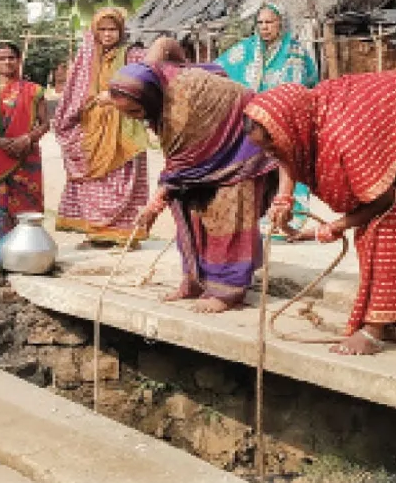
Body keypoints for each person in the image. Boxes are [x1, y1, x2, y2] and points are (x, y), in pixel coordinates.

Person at [244, 70, 396, 356]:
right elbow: (286, 152)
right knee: (385, 225)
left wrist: (334, 227)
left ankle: (374, 330)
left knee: (390, 226)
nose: (271, 152)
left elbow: (384, 200)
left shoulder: (343, 138)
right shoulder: (305, 118)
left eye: (271, 144)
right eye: (265, 148)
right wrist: (283, 198)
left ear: (291, 127)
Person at [100, 61, 281, 314]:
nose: (134, 118)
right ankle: (195, 280)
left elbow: (179, 168)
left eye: (135, 111)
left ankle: (228, 290)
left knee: (227, 217)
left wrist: (153, 206)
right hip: (202, 150)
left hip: (240, 146)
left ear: (150, 98)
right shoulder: (159, 85)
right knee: (188, 208)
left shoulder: (178, 112)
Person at [54, 7, 150, 248]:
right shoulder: (85, 57)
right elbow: (73, 92)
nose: (108, 34)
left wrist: (117, 95)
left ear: (121, 31)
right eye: (103, 29)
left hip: (124, 126)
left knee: (125, 179)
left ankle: (125, 234)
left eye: (113, 29)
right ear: (95, 31)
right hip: (92, 127)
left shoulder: (133, 55)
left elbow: (148, 80)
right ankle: (96, 233)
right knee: (93, 182)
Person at [218, 3, 319, 230]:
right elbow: (218, 70)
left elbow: (309, 82)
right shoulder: (244, 50)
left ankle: (289, 216)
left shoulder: (296, 52)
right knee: (250, 166)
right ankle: (255, 216)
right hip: (253, 123)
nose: (264, 27)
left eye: (269, 22)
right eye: (260, 23)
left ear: (280, 24)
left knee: (287, 164)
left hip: (286, 121)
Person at [0, 41, 49, 234]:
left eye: (12, 58)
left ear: (18, 60)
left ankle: (25, 244)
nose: (7, 62)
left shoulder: (34, 90)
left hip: (25, 154)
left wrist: (27, 138)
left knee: (26, 205)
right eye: (1, 58)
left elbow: (45, 123)